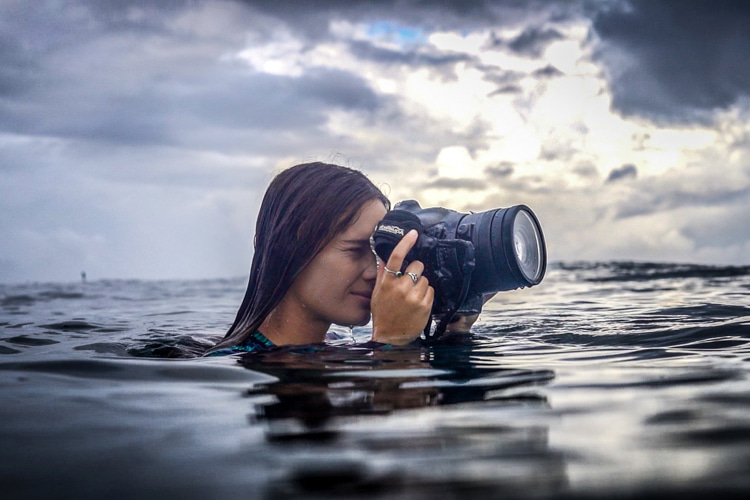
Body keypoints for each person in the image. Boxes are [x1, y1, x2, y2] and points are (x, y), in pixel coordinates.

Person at [207, 162, 435, 356]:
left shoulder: (334, 343)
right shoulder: (231, 362)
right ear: (294, 249)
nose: (374, 272)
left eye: (378, 252)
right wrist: (391, 342)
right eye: (355, 249)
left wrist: (451, 331)